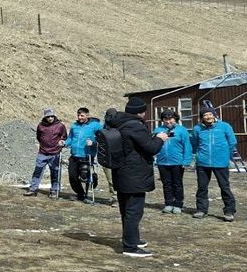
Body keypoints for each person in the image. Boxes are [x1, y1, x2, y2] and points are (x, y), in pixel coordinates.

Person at [105, 97, 167, 258]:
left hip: (120, 172)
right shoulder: (135, 126)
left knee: (126, 210)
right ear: (141, 112)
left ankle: (132, 239)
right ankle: (130, 246)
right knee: (134, 211)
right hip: (135, 174)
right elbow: (151, 148)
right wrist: (160, 139)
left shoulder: (118, 123)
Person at [191, 105, 237, 221]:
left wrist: (226, 156)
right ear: (201, 118)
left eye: (210, 114)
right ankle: (201, 210)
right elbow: (194, 144)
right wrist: (196, 156)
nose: (208, 117)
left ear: (214, 115)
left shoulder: (225, 126)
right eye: (205, 115)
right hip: (203, 163)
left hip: (221, 162)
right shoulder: (197, 129)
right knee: (202, 187)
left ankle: (229, 211)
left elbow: (232, 142)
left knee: (224, 187)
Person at [152, 109, 191, 215]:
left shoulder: (182, 130)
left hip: (177, 162)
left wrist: (186, 160)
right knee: (166, 184)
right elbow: (153, 144)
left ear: (175, 119)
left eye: (171, 119)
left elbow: (187, 146)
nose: (168, 121)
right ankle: (168, 203)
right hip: (162, 162)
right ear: (163, 120)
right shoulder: (158, 130)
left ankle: (178, 204)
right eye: (166, 119)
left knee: (177, 184)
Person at [23, 108, 67, 198]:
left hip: (55, 153)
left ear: (54, 116)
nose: (50, 118)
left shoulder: (60, 126)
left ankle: (54, 190)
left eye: (51, 116)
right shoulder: (40, 126)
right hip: (42, 153)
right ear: (45, 117)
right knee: (37, 171)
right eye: (48, 117)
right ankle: (33, 189)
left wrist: (61, 142)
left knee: (55, 172)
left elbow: (64, 136)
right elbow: (39, 137)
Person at [64, 107, 103, 204]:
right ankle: (81, 194)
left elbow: (102, 138)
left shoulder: (96, 125)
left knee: (84, 177)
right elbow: (70, 138)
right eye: (78, 115)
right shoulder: (74, 125)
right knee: (72, 176)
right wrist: (64, 143)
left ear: (87, 115)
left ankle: (91, 184)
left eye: (82, 115)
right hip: (74, 155)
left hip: (87, 155)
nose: (79, 117)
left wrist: (93, 143)